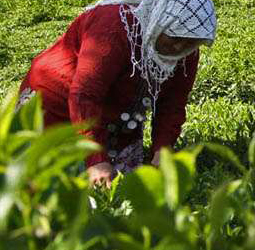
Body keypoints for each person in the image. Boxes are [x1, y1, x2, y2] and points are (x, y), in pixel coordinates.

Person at [18, 0, 218, 186]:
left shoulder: (186, 52)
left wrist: (162, 149)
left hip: (115, 115)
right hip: (57, 102)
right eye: (174, 37)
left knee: (121, 188)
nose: (179, 47)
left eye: (189, 42)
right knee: (48, 182)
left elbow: (173, 104)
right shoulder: (114, 26)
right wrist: (96, 161)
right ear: (159, 19)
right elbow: (85, 95)